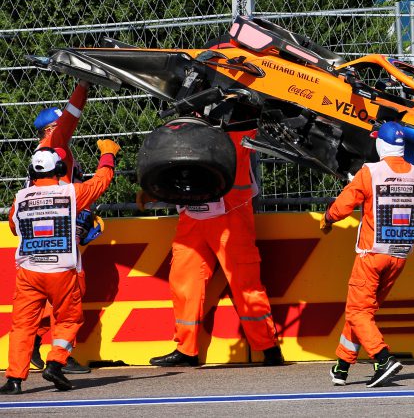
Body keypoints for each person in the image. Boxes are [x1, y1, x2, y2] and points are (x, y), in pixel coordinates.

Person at [321, 121, 414, 388]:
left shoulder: (370, 172)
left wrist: (327, 219)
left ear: (379, 144)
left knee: (359, 311)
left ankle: (383, 359)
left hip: (372, 254)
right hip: (399, 256)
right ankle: (341, 367)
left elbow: (342, 207)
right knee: (363, 313)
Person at [146, 123, 284, 368]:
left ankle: (268, 347)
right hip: (192, 217)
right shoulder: (187, 127)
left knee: (246, 285)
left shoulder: (239, 125)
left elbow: (254, 125)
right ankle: (186, 350)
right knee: (184, 285)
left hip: (231, 219)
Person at [1, 140, 120, 395]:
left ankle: (14, 380)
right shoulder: (71, 193)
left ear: (32, 174)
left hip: (29, 273)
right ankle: (55, 362)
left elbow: (13, 227)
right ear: (59, 170)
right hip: (63, 271)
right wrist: (108, 154)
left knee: (22, 325)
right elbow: (101, 182)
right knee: (68, 319)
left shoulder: (20, 198)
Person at [30, 81, 93, 375]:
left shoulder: (55, 154)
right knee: (70, 293)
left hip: (59, 231)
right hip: (60, 234)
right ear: (47, 130)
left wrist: (84, 220)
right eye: (58, 125)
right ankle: (61, 357)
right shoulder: (53, 150)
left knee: (57, 295)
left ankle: (33, 342)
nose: (65, 128)